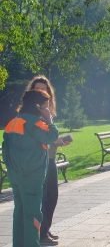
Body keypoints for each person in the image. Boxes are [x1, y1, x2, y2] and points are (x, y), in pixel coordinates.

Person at [2, 90, 59, 247]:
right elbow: (51, 136)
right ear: (38, 106)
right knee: (33, 215)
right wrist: (49, 119)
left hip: (16, 177)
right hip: (33, 178)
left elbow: (5, 151)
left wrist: (13, 171)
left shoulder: (12, 123)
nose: (47, 110)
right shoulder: (36, 124)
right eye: (46, 106)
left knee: (19, 212)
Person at [26, 75, 71, 244]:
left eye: (44, 90)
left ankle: (45, 229)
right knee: (43, 199)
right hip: (38, 163)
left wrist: (58, 142)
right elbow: (36, 138)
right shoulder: (30, 115)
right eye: (37, 89)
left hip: (50, 159)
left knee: (52, 197)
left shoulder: (46, 113)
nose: (41, 92)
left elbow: (48, 138)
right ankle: (41, 235)